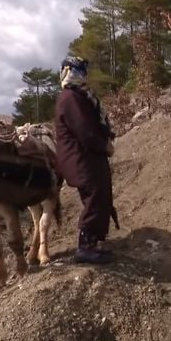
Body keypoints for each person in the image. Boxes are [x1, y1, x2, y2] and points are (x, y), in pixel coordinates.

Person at [54, 56, 116, 264]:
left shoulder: (78, 95)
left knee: (100, 194)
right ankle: (85, 247)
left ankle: (93, 242)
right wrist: (103, 144)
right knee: (95, 195)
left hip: (86, 156)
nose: (83, 74)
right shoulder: (71, 97)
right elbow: (84, 130)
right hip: (80, 158)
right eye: (79, 70)